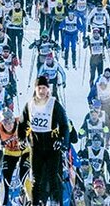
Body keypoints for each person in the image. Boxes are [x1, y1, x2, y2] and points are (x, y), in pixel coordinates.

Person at [20, 76, 70, 206]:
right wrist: (21, 139)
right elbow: (21, 124)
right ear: (35, 89)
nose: (41, 91)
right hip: (36, 148)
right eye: (39, 88)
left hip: (52, 148)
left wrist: (62, 141)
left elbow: (65, 126)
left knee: (54, 178)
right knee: (36, 180)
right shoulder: (29, 105)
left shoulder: (54, 104)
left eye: (44, 88)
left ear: (48, 89)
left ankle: (56, 202)